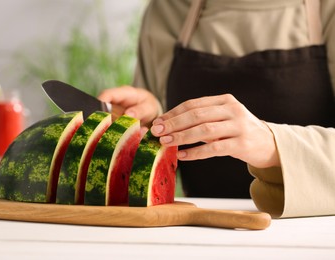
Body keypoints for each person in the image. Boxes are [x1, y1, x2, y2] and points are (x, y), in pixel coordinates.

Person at [98, 0, 335, 218]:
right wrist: (149, 120)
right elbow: (144, 172)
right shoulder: (169, 9)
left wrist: (274, 145)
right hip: (194, 234)